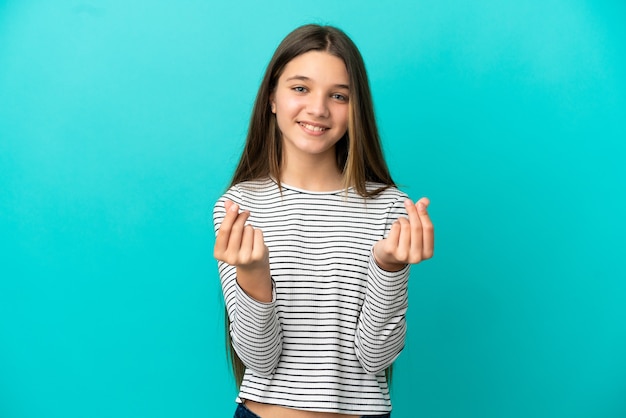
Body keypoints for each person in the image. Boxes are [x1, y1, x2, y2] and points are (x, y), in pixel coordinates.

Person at [213, 24, 434, 418]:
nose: (318, 109)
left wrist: (389, 267)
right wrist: (253, 274)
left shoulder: (390, 208)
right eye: (300, 88)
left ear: (356, 109)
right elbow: (258, 360)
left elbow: (375, 357)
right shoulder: (240, 205)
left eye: (338, 96)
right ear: (272, 99)